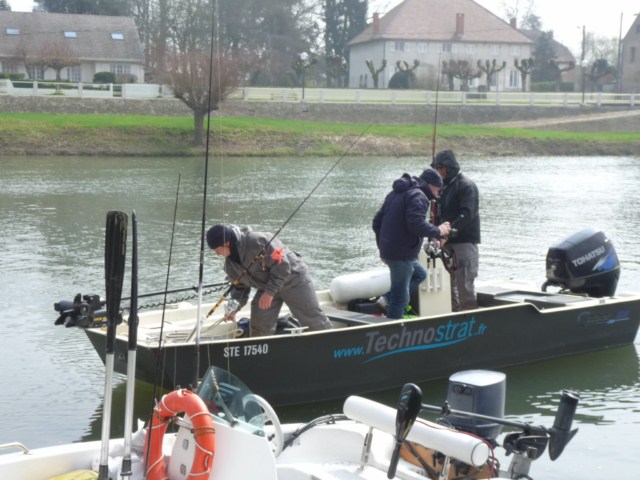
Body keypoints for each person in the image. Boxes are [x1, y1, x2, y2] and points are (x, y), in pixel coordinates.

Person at [206, 224, 333, 336]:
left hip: (293, 280)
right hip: (267, 287)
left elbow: (283, 266)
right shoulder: (230, 265)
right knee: (259, 323)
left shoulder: (258, 241)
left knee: (312, 318)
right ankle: (260, 353)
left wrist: (269, 292)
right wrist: (233, 309)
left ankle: (332, 345)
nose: (217, 254)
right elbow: (239, 289)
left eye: (217, 249)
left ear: (227, 242)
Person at [372, 168, 451, 319]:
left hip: (394, 252)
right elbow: (416, 225)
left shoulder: (394, 194)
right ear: (430, 185)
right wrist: (438, 230)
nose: (437, 194)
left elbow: (376, 222)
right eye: (437, 190)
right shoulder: (419, 196)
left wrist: (383, 249)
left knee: (420, 274)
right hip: (402, 254)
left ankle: (386, 298)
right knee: (401, 298)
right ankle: (393, 334)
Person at [432, 149, 481, 311]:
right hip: (446, 244)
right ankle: (454, 314)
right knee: (448, 284)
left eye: (441, 167)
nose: (439, 171)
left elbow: (467, 214)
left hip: (464, 242)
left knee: (465, 283)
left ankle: (470, 319)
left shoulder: (467, 186)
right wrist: (434, 233)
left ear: (449, 167)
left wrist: (449, 232)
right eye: (436, 168)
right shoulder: (441, 189)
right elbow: (437, 215)